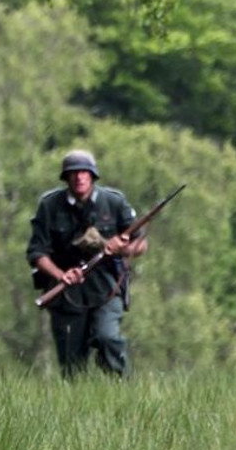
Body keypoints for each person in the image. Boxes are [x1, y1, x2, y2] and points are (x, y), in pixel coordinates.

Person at [26, 150, 148, 377]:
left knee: (108, 338)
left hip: (107, 288)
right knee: (72, 366)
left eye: (84, 172)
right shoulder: (50, 206)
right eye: (73, 173)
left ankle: (122, 390)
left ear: (92, 176)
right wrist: (61, 275)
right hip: (67, 295)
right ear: (66, 178)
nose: (79, 178)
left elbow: (140, 244)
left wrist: (121, 248)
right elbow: (37, 253)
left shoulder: (114, 202)